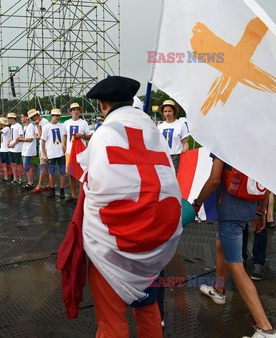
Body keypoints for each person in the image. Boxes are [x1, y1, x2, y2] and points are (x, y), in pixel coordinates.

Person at [80, 76, 182, 337]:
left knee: (112, 321)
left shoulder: (103, 134)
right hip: (156, 241)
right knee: (148, 311)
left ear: (103, 104)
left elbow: (93, 185)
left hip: (114, 247)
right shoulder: (153, 133)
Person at [194, 155, 275, 337]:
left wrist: (197, 203)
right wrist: (261, 211)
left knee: (236, 265)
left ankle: (265, 328)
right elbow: (266, 181)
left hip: (230, 212)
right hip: (249, 207)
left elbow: (214, 179)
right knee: (221, 244)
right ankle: (218, 289)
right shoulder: (255, 145)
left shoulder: (224, 144)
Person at [63, 103, 91, 203]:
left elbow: (89, 136)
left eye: (77, 109)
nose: (76, 111)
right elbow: (65, 135)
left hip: (80, 153)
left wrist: (82, 135)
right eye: (74, 109)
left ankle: (81, 196)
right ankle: (73, 195)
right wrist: (63, 145)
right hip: (69, 152)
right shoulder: (66, 123)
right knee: (70, 174)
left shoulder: (83, 123)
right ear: (70, 111)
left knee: (81, 175)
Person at [41, 109, 67, 200]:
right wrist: (44, 154)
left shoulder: (62, 126)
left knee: (62, 172)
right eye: (55, 115)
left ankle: (62, 190)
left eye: (58, 115)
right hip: (51, 153)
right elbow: (43, 142)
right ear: (52, 115)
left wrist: (65, 147)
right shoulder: (46, 127)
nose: (57, 117)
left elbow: (64, 137)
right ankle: (52, 189)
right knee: (51, 173)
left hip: (61, 153)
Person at [157, 100, 189, 173]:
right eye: (165, 111)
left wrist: (185, 149)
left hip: (176, 156)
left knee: (175, 177)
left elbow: (185, 142)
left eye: (169, 111)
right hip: (164, 156)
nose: (167, 113)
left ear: (173, 111)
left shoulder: (180, 124)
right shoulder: (160, 126)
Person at [28, 109, 51, 193]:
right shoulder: (35, 124)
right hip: (41, 147)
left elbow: (42, 136)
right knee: (45, 167)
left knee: (43, 166)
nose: (33, 119)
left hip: (46, 147)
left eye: (33, 117)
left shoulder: (45, 122)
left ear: (37, 115)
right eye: (31, 118)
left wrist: (37, 126)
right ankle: (49, 184)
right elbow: (37, 136)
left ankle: (39, 185)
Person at [20, 110, 37, 190]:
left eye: (22, 117)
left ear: (27, 117)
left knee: (26, 166)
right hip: (25, 149)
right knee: (25, 167)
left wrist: (21, 139)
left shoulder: (30, 126)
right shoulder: (25, 127)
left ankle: (31, 183)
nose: (21, 118)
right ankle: (29, 182)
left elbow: (30, 139)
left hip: (29, 150)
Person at [7, 112, 24, 184]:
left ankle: (20, 179)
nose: (8, 120)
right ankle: (15, 179)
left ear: (13, 118)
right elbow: (11, 136)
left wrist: (13, 143)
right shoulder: (11, 126)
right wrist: (8, 142)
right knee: (12, 164)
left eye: (9, 118)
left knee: (18, 164)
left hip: (17, 148)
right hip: (11, 148)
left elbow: (20, 137)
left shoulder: (18, 126)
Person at [0, 117, 10, 181]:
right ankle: (6, 176)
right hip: (3, 149)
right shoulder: (3, 129)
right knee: (4, 164)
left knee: (8, 164)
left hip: (6, 149)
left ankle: (10, 175)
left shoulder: (6, 128)